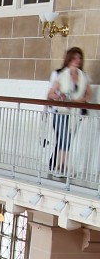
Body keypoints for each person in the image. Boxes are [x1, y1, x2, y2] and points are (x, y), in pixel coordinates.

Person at [47, 46, 92, 176]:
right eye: (75, 58)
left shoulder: (82, 76)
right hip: (61, 110)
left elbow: (88, 93)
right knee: (64, 138)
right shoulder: (61, 74)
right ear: (69, 59)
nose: (78, 60)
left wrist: (81, 101)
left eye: (80, 58)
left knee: (66, 139)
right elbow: (51, 93)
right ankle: (62, 166)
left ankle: (60, 166)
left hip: (74, 112)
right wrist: (61, 97)